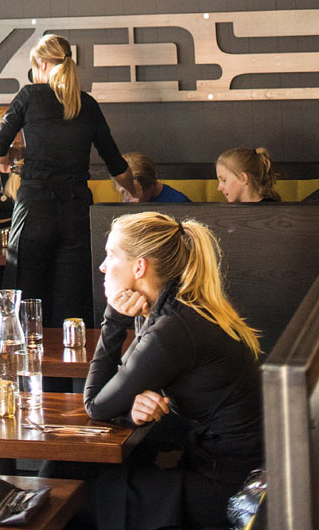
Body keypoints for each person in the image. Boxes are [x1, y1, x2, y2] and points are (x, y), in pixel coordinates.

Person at [83, 211, 262, 530]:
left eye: (111, 255)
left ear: (139, 266)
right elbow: (124, 392)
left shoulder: (172, 330)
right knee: (98, 473)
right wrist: (133, 407)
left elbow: (96, 405)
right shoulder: (184, 307)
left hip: (230, 488)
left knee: (87, 492)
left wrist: (113, 319)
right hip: (236, 467)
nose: (103, 266)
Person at [0, 33, 138, 326]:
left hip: (35, 210)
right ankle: (68, 370)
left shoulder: (29, 96)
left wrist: (9, 164)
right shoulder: (88, 104)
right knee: (71, 305)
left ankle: (29, 369)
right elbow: (118, 166)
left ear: (41, 65)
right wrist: (133, 192)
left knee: (24, 300)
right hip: (76, 213)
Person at [114, 152, 191, 203]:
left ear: (151, 185)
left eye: (138, 193)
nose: (129, 200)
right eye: (124, 192)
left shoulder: (177, 203)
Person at [216, 147, 280, 203]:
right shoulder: (229, 212)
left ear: (243, 178)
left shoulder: (274, 211)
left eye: (224, 180)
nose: (219, 188)